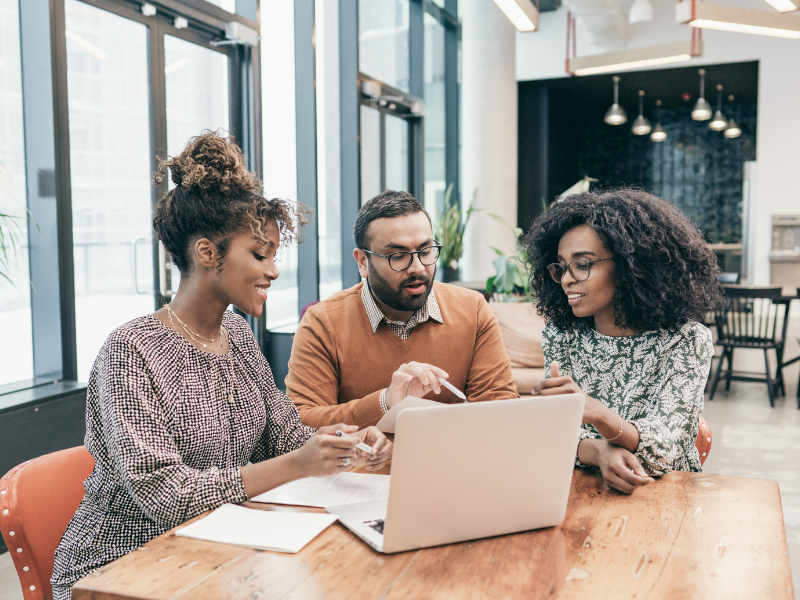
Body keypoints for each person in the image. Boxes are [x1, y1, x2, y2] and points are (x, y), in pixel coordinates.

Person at [51, 132, 392, 599]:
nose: (272, 271)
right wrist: (298, 464)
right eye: (259, 254)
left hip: (219, 545)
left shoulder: (238, 339)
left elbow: (287, 439)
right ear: (208, 253)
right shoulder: (129, 351)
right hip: (122, 567)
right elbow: (166, 496)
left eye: (274, 255)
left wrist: (343, 443)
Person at [527, 189, 722, 494]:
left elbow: (664, 449)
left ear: (632, 266)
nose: (566, 279)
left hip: (666, 493)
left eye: (583, 264)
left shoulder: (686, 340)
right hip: (583, 487)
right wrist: (602, 453)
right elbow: (557, 435)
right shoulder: (562, 336)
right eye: (561, 266)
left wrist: (599, 415)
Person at [286, 190, 518, 428]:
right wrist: (385, 403)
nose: (418, 268)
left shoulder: (474, 310)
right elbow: (301, 424)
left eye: (426, 251)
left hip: (451, 460)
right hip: (361, 466)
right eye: (398, 256)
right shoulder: (322, 323)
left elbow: (499, 408)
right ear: (362, 262)